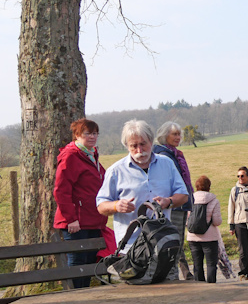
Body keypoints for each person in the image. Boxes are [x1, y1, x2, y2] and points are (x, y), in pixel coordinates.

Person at [96, 120, 188, 250]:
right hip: (131, 247)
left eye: (143, 144)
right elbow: (101, 206)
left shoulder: (166, 164)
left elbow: (183, 195)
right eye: (133, 146)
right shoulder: (116, 171)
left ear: (151, 142)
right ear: (127, 146)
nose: (139, 150)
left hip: (163, 243)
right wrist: (116, 205)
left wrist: (168, 201)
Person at [53, 118, 109, 288]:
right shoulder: (71, 156)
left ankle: (85, 298)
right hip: (76, 222)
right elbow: (61, 190)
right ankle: (75, 298)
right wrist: (71, 218)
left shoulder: (91, 155)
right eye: (87, 133)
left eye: (94, 133)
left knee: (90, 262)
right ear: (77, 135)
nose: (92, 137)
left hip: (93, 218)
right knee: (77, 262)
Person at [154, 122, 194, 279]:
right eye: (174, 134)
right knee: (173, 244)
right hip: (173, 206)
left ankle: (181, 274)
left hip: (181, 204)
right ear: (165, 136)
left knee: (177, 242)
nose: (178, 137)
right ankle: (172, 277)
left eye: (179, 134)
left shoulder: (175, 154)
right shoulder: (164, 156)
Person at [186, 175, 222, 283]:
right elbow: (217, 221)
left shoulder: (190, 199)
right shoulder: (214, 200)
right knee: (211, 264)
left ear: (196, 186)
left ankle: (199, 287)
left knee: (197, 265)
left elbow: (187, 220)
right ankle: (211, 286)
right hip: (209, 237)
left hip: (192, 237)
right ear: (209, 186)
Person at [227, 167, 248, 280]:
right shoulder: (234, 190)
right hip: (240, 223)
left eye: (242, 176)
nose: (240, 178)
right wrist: (231, 225)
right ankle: (242, 272)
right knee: (243, 250)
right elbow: (231, 208)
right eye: (238, 176)